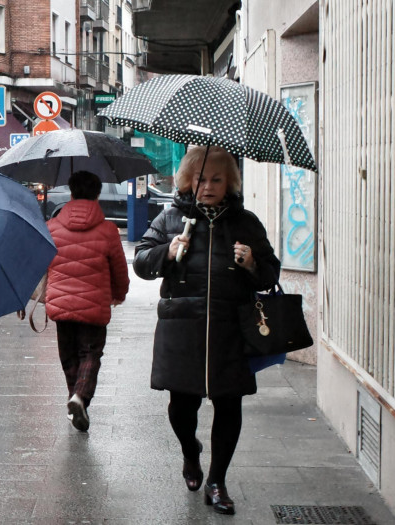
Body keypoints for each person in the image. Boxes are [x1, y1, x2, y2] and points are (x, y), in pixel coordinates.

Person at [133, 146, 280, 516]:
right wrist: (167, 251)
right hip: (182, 328)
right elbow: (141, 262)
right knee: (181, 407)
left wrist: (251, 264)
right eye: (200, 178)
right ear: (187, 180)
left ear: (229, 182)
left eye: (216, 179)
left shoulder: (245, 222)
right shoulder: (170, 219)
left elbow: (270, 272)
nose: (208, 186)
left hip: (231, 329)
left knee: (229, 404)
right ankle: (190, 451)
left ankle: (217, 481)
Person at [44, 170, 130, 432]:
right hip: (94, 305)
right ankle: (79, 398)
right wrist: (120, 293)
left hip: (60, 305)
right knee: (90, 354)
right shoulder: (108, 230)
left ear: (71, 193)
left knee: (69, 358)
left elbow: (42, 263)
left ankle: (75, 401)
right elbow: (119, 269)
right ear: (97, 194)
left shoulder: (52, 227)